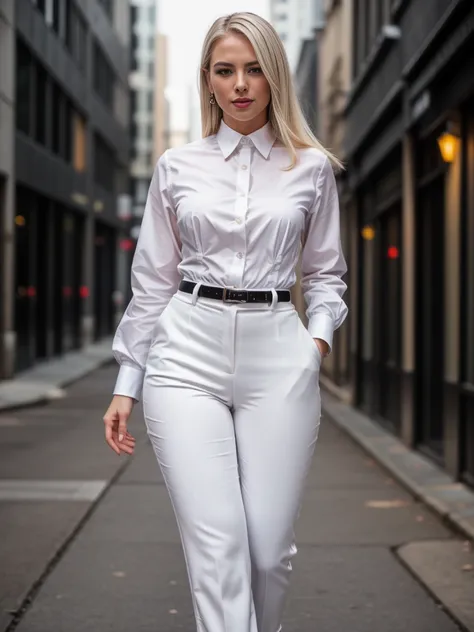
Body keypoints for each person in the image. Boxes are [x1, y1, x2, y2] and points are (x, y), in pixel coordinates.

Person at [103, 11, 348, 632]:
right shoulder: (176, 167)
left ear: (274, 78)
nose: (240, 84)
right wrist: (127, 382)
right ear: (208, 81)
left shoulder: (311, 168)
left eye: (254, 69)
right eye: (225, 70)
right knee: (219, 548)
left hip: (278, 356)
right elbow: (153, 281)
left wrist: (313, 343)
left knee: (268, 555)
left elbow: (325, 275)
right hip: (186, 355)